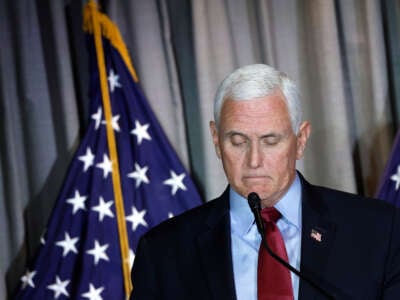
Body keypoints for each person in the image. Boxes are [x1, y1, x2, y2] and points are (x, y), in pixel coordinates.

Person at [130, 64, 400, 299]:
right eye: (237, 141)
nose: (254, 160)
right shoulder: (162, 253)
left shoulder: (379, 231)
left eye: (270, 141)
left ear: (301, 139)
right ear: (216, 139)